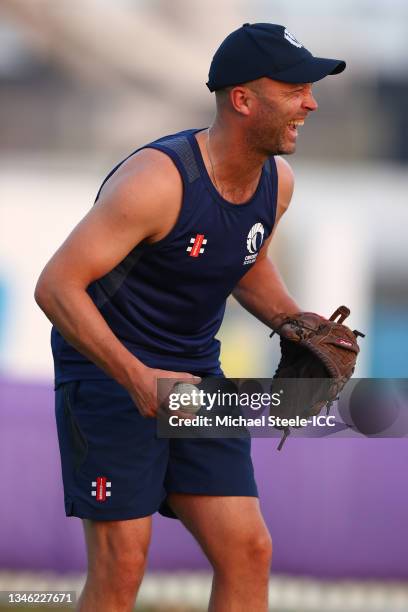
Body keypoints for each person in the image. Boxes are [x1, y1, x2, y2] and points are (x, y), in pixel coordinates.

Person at [35, 22, 345, 612]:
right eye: (296, 88)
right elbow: (56, 287)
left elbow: (246, 262)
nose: (311, 101)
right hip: (108, 377)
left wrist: (293, 322)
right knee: (123, 564)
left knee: (249, 550)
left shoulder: (277, 181)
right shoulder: (158, 182)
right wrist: (135, 377)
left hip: (198, 381)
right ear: (243, 99)